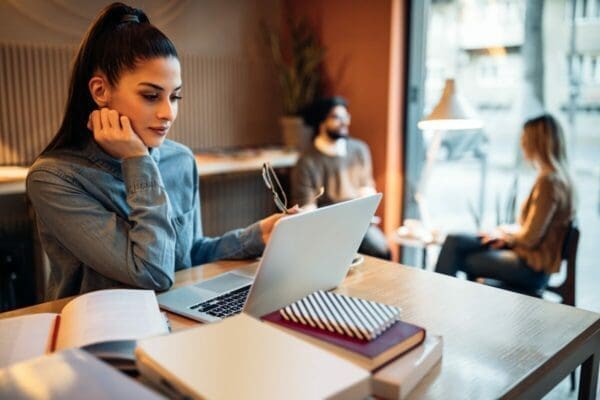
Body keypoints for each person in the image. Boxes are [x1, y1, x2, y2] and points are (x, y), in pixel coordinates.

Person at [26, 2, 288, 300]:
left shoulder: (180, 160)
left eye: (175, 97)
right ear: (100, 91)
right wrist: (137, 159)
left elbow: (183, 256)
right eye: (151, 96)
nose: (168, 113)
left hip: (176, 319)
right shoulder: (54, 179)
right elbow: (154, 273)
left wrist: (257, 237)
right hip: (99, 334)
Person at [435, 114, 575, 290]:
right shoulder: (559, 179)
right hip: (529, 259)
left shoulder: (549, 182)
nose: (521, 143)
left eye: (525, 138)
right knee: (455, 240)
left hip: (531, 267)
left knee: (458, 254)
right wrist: (504, 231)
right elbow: (535, 230)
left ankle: (435, 297)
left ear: (537, 142)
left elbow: (530, 238)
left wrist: (505, 236)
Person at [291, 96, 391, 260]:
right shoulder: (306, 162)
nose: (344, 122)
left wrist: (365, 215)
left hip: (358, 223)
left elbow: (366, 189)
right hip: (326, 227)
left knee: (382, 250)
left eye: (346, 117)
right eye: (336, 118)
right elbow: (307, 209)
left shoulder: (359, 150)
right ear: (321, 122)